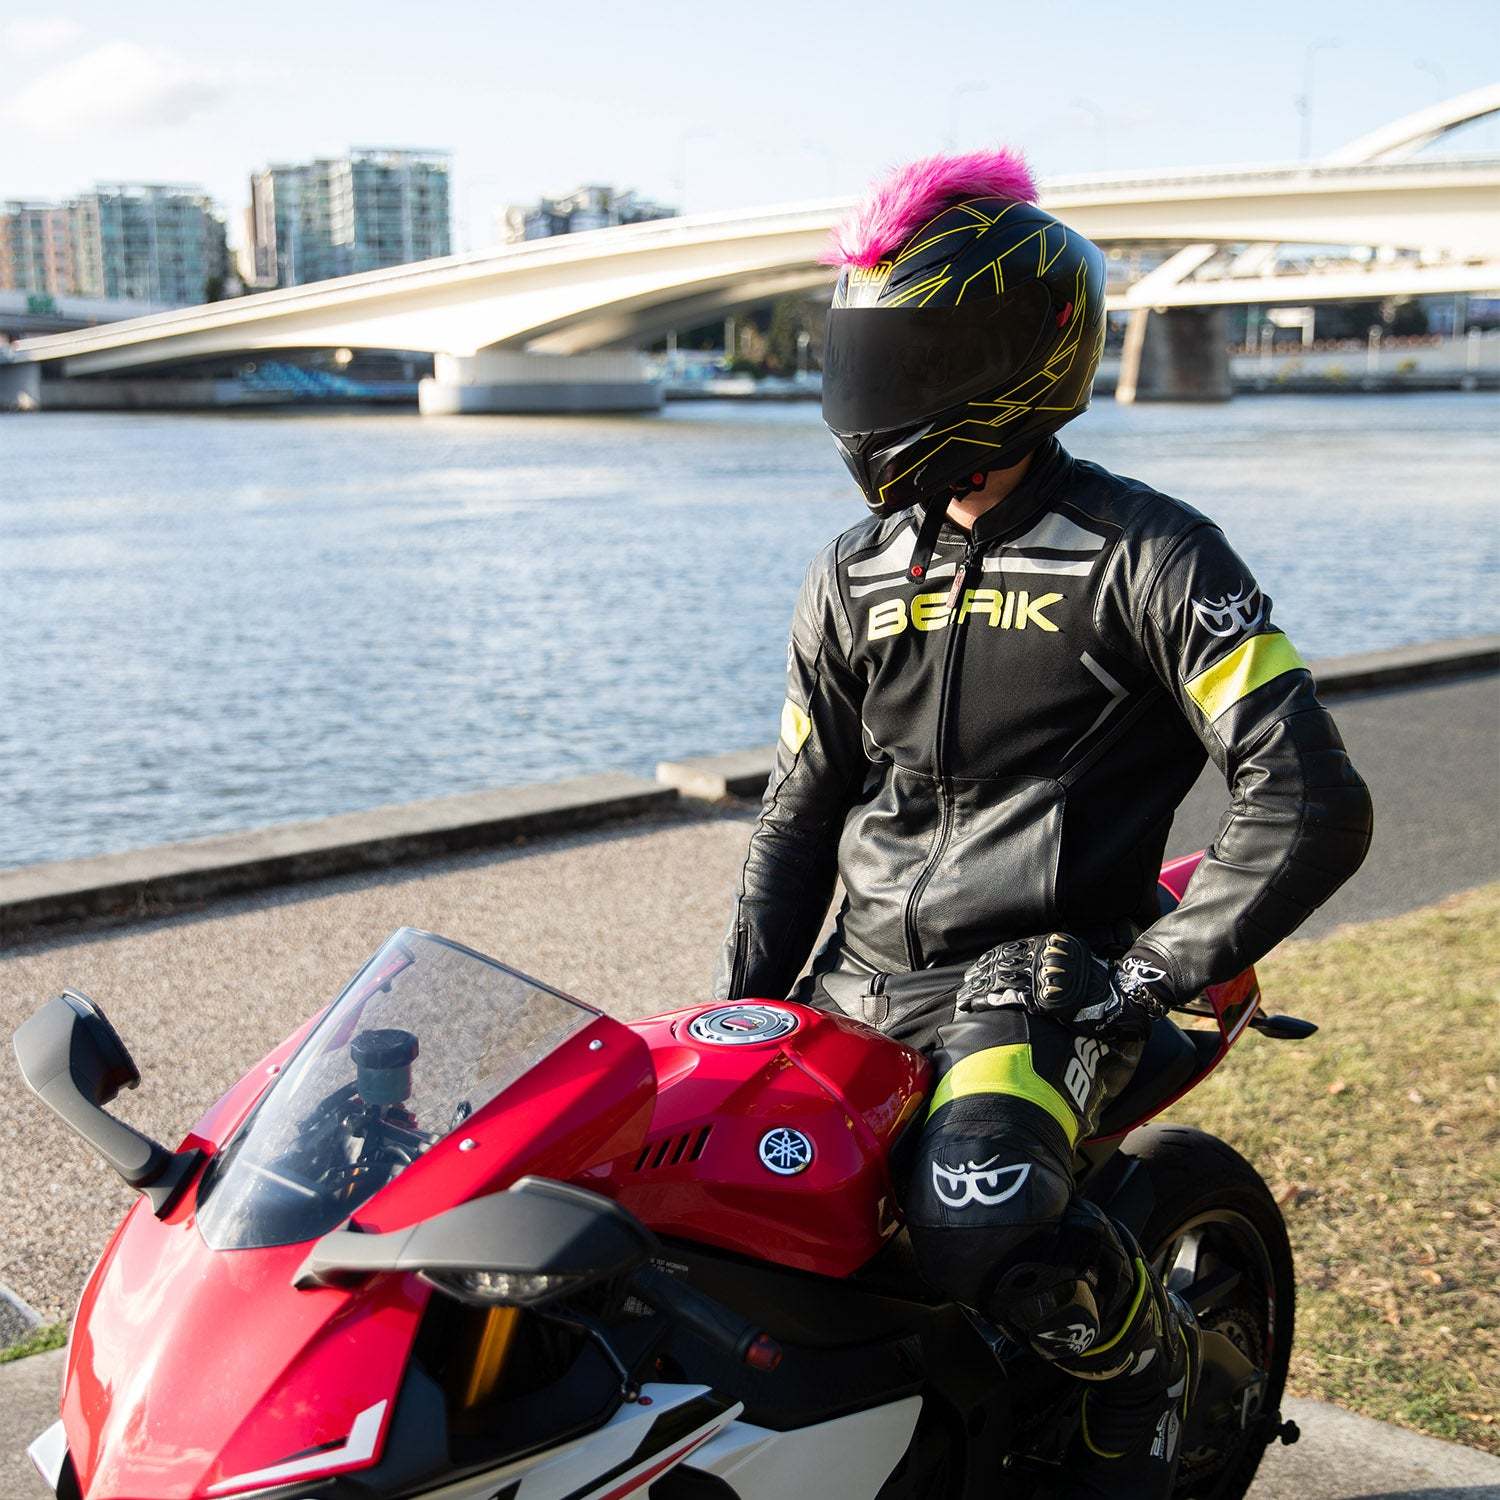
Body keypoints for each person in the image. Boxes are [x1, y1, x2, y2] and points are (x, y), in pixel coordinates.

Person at [712, 149, 1373, 1498]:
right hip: (852, 985)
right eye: (867, 358)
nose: (873, 393)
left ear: (1014, 358)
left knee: (976, 1215)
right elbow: (799, 811)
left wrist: (1148, 973)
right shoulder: (849, 572)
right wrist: (736, 1017)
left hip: (1045, 989)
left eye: (908, 360)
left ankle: (1150, 1380)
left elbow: (1309, 793)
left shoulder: (1152, 553)